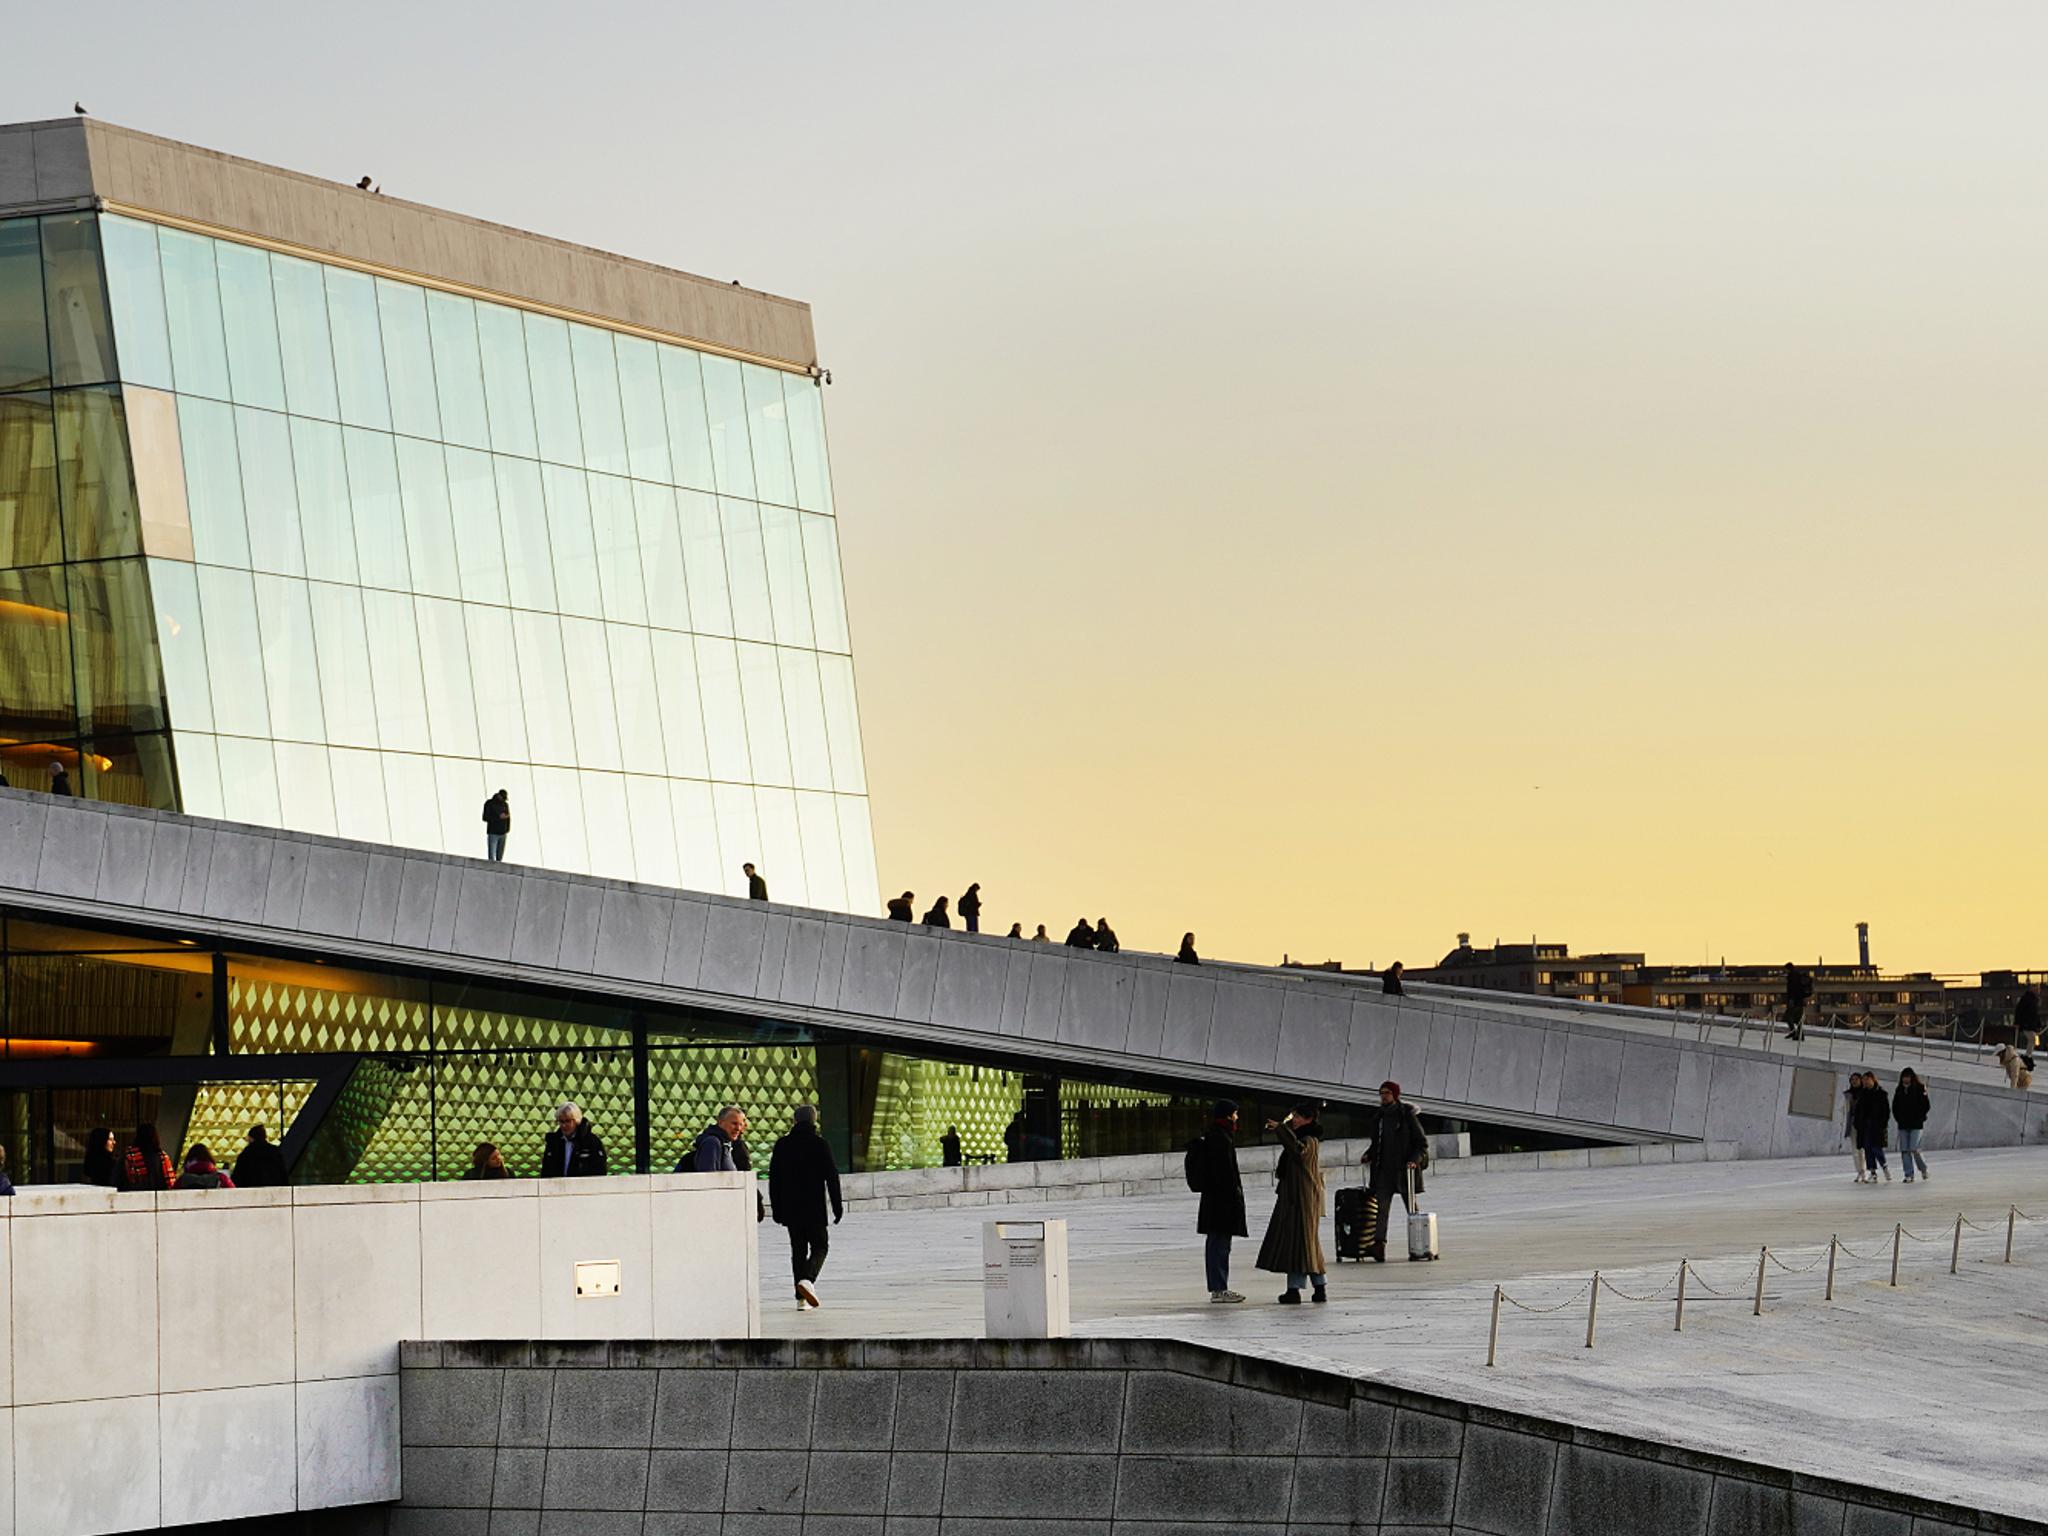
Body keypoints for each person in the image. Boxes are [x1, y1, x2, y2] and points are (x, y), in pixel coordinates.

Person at [768, 1104, 843, 1309]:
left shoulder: (783, 1145)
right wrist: (837, 1207)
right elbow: (832, 1177)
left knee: (798, 1250)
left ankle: (801, 1299)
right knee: (820, 1246)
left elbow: (774, 1179)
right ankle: (808, 1280)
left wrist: (776, 1208)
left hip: (790, 1208)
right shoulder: (819, 1144)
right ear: (814, 1121)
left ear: (794, 1121)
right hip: (814, 1207)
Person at [1256, 1103, 1327, 1304]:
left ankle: (1296, 1290)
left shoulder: (1309, 1140)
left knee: (1301, 1244)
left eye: (1298, 1116)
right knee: (1305, 1243)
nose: (1294, 1120)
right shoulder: (1303, 1138)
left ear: (1308, 1119)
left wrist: (1281, 1129)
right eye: (1293, 1115)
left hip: (1302, 1199)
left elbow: (1297, 1151)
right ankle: (1316, 1288)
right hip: (1297, 1198)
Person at [1185, 1099, 1246, 1303]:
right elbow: (1224, 1174)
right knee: (1219, 1245)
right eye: (1235, 1114)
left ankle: (1219, 1288)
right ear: (1227, 1115)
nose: (1237, 1117)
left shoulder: (1216, 1135)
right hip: (1221, 1202)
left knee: (1218, 1244)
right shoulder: (1220, 1138)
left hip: (1215, 1201)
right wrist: (1234, 1196)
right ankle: (1219, 1289)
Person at [1361, 1080, 1428, 1261]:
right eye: (1381, 1093)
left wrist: (1414, 1160)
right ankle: (1379, 1245)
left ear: (1395, 1095)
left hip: (1404, 1171)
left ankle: (1419, 1245)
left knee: (1412, 1209)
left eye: (1387, 1093)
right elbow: (1377, 1144)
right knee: (1381, 1209)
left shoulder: (1406, 1115)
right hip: (1384, 1171)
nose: (1383, 1096)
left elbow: (1421, 1143)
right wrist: (1369, 1155)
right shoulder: (1379, 1117)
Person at [542, 1102, 608, 1177]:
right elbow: (546, 1171)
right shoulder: (553, 1142)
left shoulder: (591, 1142)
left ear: (576, 1121)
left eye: (568, 1121)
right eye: (561, 1121)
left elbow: (600, 1171)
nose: (564, 1125)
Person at [1892, 1069, 1931, 1183]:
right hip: (1903, 1124)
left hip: (1916, 1124)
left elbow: (1926, 1105)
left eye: (1908, 1077)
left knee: (1914, 1148)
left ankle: (1923, 1169)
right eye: (1904, 1077)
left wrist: (1920, 1117)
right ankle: (1908, 1174)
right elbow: (1895, 1106)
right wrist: (1898, 1118)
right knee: (1905, 1150)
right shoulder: (1899, 1089)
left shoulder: (1920, 1088)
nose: (1906, 1079)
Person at [685, 1104, 749, 1172]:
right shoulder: (712, 1143)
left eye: (740, 1124)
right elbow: (708, 1175)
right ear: (720, 1122)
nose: (738, 1128)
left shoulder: (726, 1143)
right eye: (734, 1123)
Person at [1852, 1071, 1891, 1183]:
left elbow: (1886, 1110)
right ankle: (1872, 1172)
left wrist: (1883, 1123)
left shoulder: (1881, 1094)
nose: (1865, 1082)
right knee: (1867, 1149)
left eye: (1867, 1079)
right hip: (1865, 1125)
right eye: (1863, 1080)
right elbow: (1858, 1111)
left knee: (1876, 1147)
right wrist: (1857, 1123)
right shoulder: (1862, 1094)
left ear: (1873, 1080)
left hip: (1877, 1125)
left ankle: (1884, 1166)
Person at [120, 1124, 174, 1192]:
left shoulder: (130, 1157)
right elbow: (171, 1183)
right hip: (160, 1196)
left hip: (136, 1196)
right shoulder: (162, 1156)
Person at [1843, 1075, 1867, 1183]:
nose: (1854, 1081)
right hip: (1852, 1122)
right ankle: (1859, 1171)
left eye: (1856, 1079)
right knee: (1854, 1149)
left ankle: (1864, 1171)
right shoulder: (1848, 1094)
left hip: (1863, 1122)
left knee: (1862, 1149)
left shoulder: (1866, 1092)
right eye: (1852, 1080)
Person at [1784, 962, 1812, 1040]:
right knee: (1798, 1018)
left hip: (1794, 1001)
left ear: (1788, 969)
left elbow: (1792, 990)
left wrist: (1791, 1000)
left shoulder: (1792, 977)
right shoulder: (1798, 975)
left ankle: (1794, 1032)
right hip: (1800, 1000)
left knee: (1788, 1016)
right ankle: (1800, 1035)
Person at [482, 789, 511, 862]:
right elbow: (485, 817)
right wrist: (498, 817)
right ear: (499, 796)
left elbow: (508, 817)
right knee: (492, 856)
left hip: (503, 832)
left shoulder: (505, 805)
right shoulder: (489, 803)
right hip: (493, 832)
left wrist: (507, 829)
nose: (503, 800)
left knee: (500, 856)